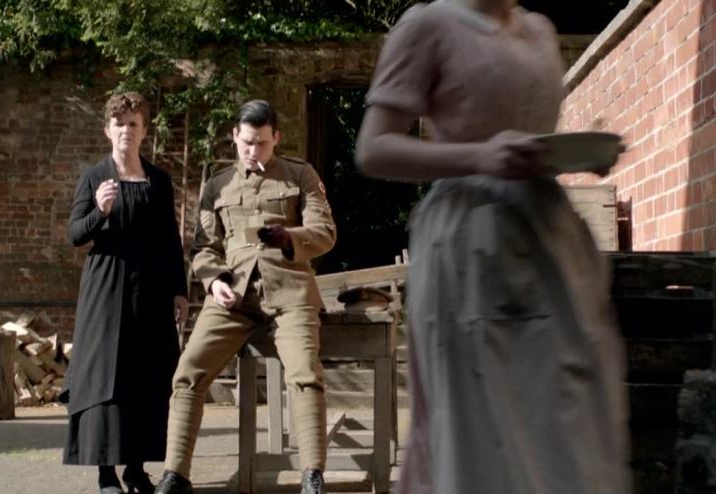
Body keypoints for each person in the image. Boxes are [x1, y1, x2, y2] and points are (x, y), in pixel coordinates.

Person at [355, 1, 631, 493]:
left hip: (549, 240)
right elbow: (373, 150)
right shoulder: (429, 26)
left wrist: (583, 154)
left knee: (568, 414)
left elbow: (533, 140)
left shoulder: (540, 31)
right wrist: (479, 156)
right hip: (470, 243)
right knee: (484, 424)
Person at [153, 100, 336, 494]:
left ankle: (312, 476)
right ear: (235, 136)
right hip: (232, 296)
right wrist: (213, 281)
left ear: (276, 138)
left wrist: (290, 237)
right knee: (187, 372)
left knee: (305, 375)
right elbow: (204, 247)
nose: (254, 151)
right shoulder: (217, 185)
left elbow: (325, 232)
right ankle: (176, 474)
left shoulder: (300, 175)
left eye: (263, 143)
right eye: (247, 142)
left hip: (290, 293)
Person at [62, 91, 189, 494]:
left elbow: (170, 240)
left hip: (150, 291)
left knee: (148, 376)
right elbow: (75, 235)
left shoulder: (159, 180)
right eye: (119, 124)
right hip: (105, 289)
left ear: (144, 130)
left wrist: (179, 290)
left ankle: (136, 469)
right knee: (105, 378)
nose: (126, 131)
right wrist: (99, 211)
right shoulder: (94, 178)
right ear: (107, 130)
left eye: (133, 124)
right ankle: (106, 473)